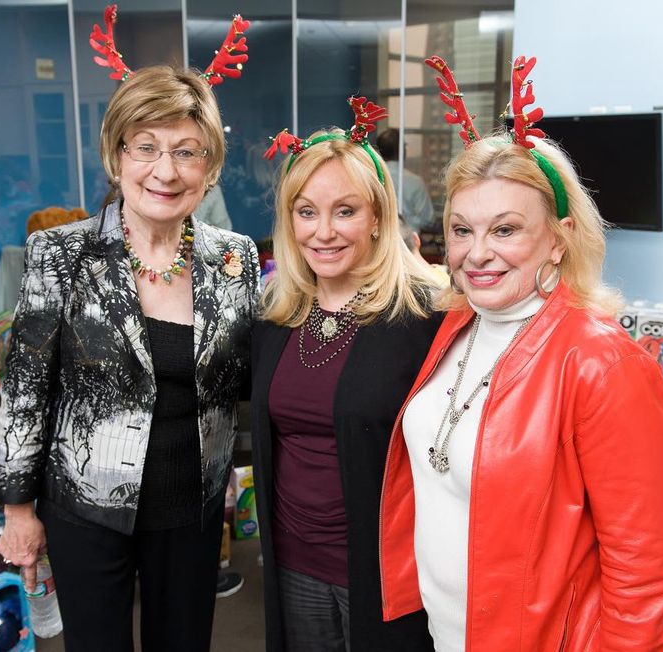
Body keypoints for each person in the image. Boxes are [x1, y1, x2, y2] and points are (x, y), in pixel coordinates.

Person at [378, 130, 663, 650]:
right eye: (461, 230)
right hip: (446, 634)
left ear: (559, 237)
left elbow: (647, 578)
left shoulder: (603, 363)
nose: (477, 254)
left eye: (505, 230)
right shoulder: (458, 324)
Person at [0, 65, 260, 652]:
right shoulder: (61, 253)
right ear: (117, 157)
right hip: (84, 511)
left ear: (210, 168)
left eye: (187, 152)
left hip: (191, 510)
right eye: (146, 147)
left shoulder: (235, 260)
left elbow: (251, 374)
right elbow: (24, 391)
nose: (165, 171)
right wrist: (18, 509)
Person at [251, 117, 442, 651]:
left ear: (378, 216)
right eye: (306, 212)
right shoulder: (276, 316)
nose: (324, 231)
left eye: (346, 211)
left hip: (385, 572)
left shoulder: (424, 318)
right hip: (292, 562)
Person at [375, 128, 435, 231]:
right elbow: (428, 219)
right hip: (408, 243)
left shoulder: (371, 179)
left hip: (377, 239)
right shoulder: (415, 182)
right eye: (404, 146)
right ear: (402, 150)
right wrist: (409, 221)